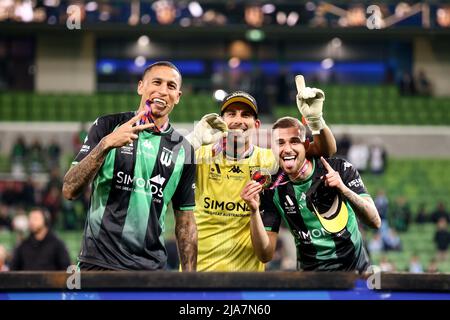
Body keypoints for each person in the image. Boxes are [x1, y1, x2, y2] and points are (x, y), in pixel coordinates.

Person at [187, 75, 337, 271]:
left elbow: (325, 151)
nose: (238, 120)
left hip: (246, 282)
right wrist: (191, 141)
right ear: (221, 121)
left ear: (256, 125)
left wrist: (315, 120)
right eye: (231, 114)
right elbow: (162, 166)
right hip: (197, 276)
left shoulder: (271, 160)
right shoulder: (199, 155)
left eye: (245, 115)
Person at [62, 61, 197, 271]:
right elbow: (70, 189)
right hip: (98, 264)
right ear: (141, 86)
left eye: (171, 86)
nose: (162, 91)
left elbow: (186, 223)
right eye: (157, 82)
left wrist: (191, 281)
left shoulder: (184, 149)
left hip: (150, 270)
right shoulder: (107, 126)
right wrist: (106, 144)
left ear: (177, 97)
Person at [241, 116, 380, 272]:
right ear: (272, 149)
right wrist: (254, 212)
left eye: (294, 141)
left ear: (306, 145)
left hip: (356, 272)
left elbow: (375, 221)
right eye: (280, 143)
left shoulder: (338, 168)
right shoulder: (271, 188)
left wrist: (344, 189)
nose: (287, 149)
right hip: (311, 280)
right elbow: (265, 255)